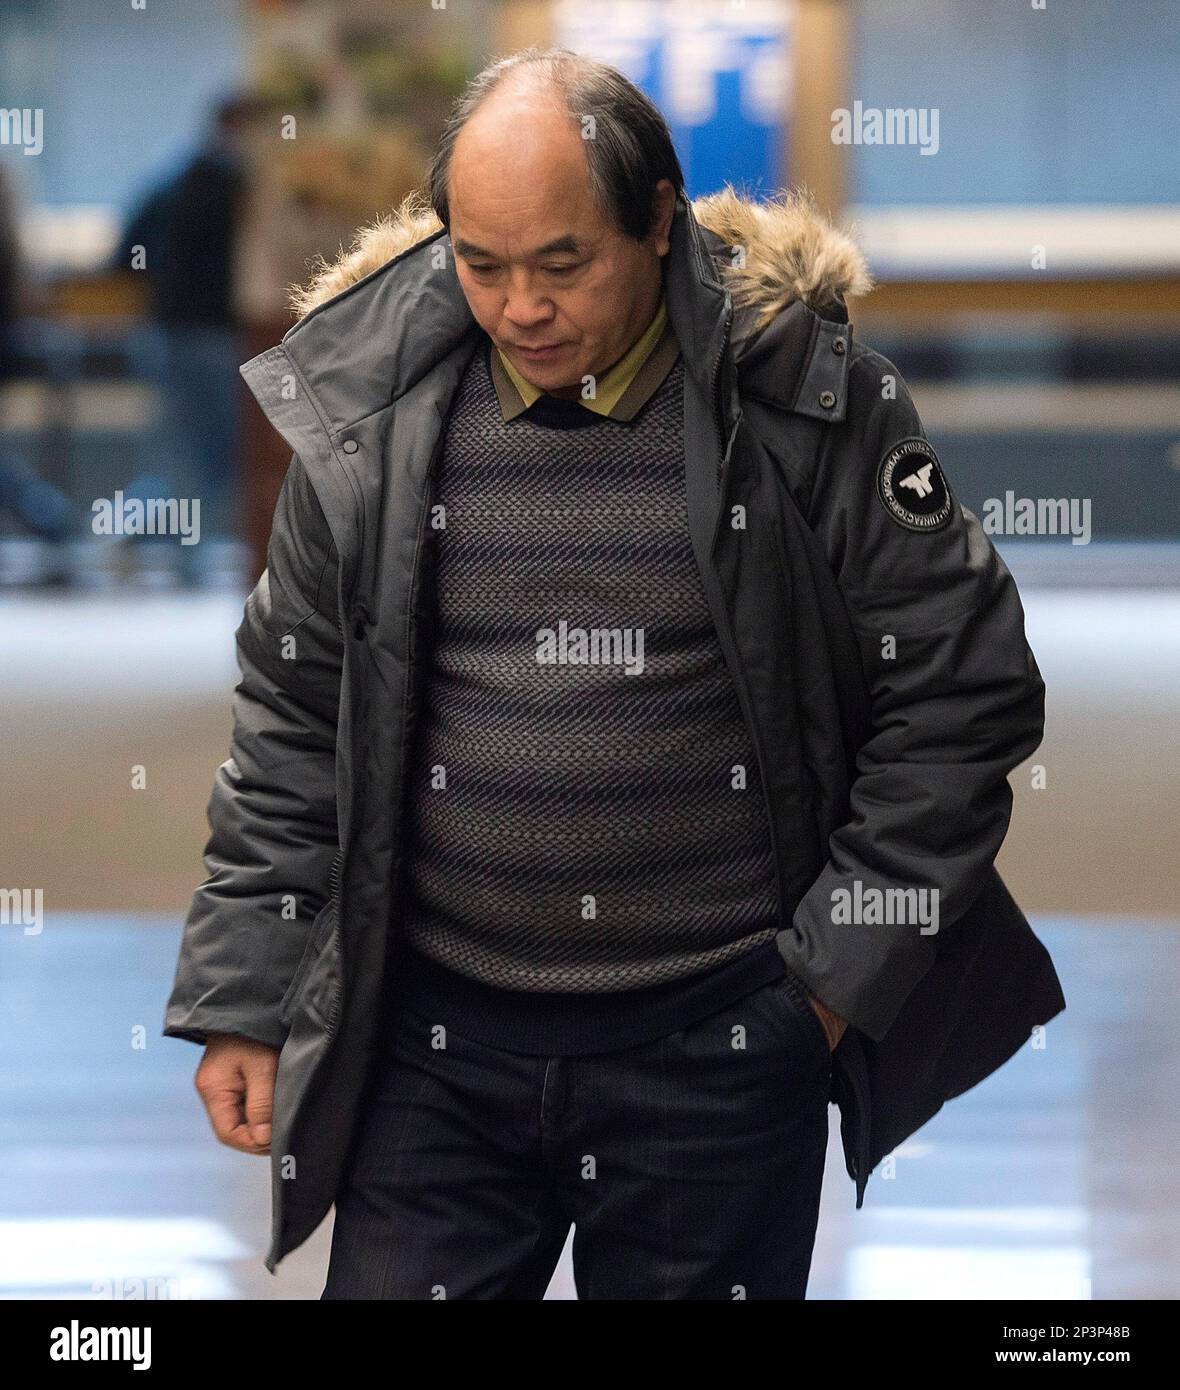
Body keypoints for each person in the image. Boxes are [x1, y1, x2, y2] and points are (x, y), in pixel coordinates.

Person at [163, 47, 1065, 1299]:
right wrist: (246, 988)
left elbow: (962, 694)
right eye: (481, 265)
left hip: (718, 1047)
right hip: (429, 1048)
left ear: (656, 221)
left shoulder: (806, 402)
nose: (519, 307)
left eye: (561, 263)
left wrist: (824, 993)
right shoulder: (368, 415)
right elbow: (293, 720)